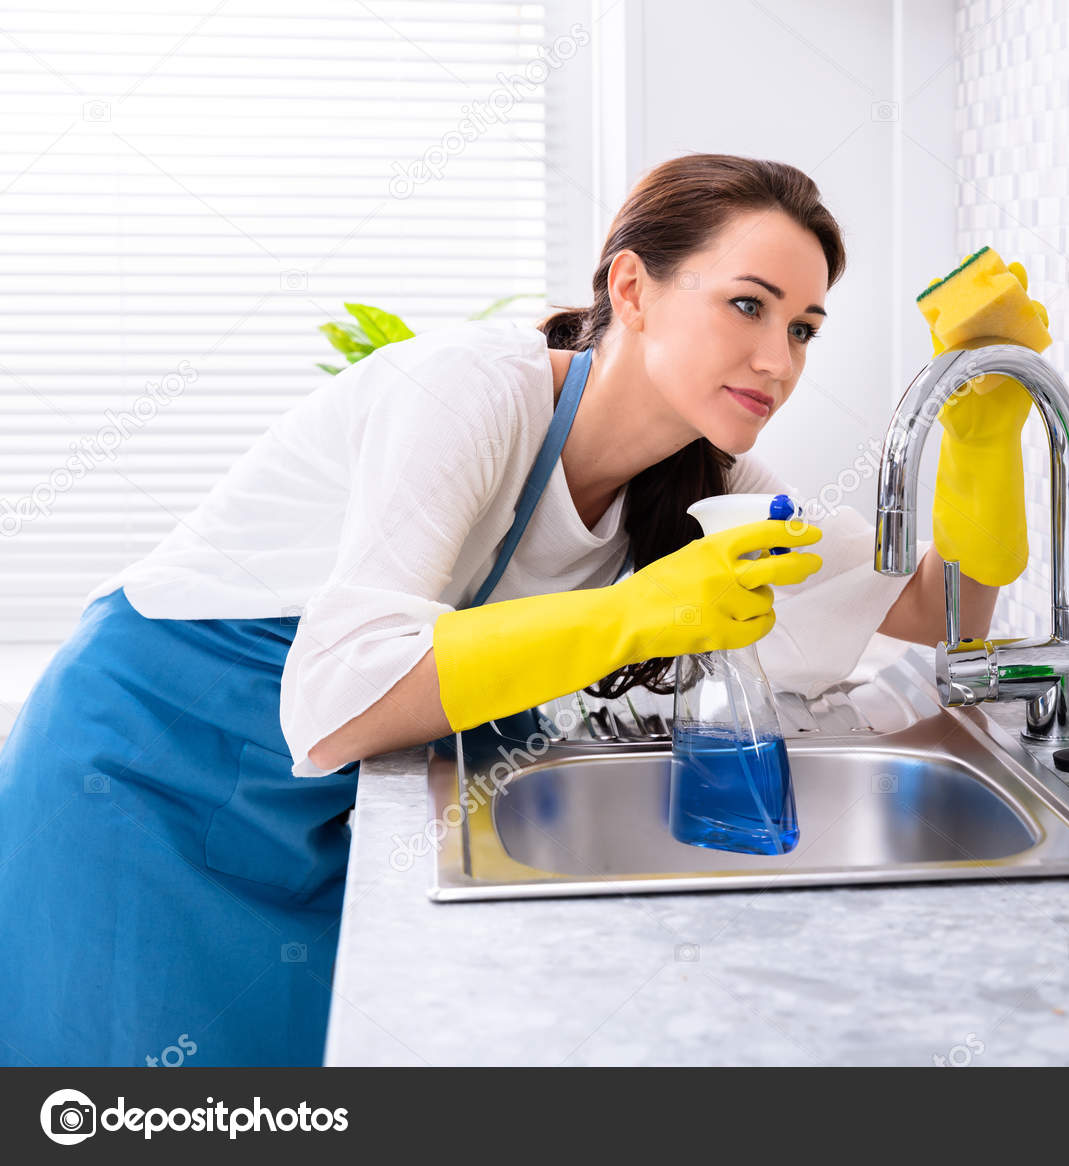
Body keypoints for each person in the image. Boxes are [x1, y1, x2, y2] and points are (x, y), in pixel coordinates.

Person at [0, 152, 1017, 1067]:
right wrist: (645, 613)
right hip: (140, 771)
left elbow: (941, 611)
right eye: (748, 307)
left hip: (304, 812)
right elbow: (338, 699)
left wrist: (982, 432)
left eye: (802, 328)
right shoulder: (469, 393)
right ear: (633, 287)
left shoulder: (707, 485)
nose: (779, 361)